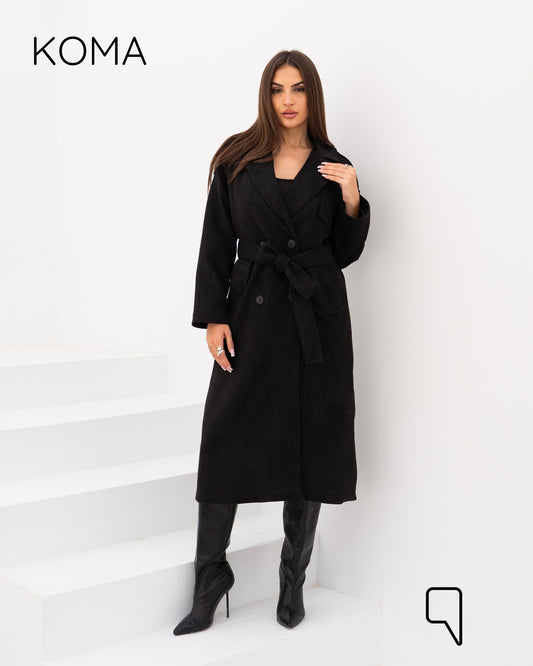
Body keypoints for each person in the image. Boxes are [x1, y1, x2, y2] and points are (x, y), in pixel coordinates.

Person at [173, 49, 371, 635]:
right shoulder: (237, 160)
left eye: (299, 88)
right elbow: (216, 240)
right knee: (224, 437)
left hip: (315, 322)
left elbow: (343, 253)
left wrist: (353, 199)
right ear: (266, 95)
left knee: (309, 445)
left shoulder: (334, 166)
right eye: (278, 89)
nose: (288, 100)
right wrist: (214, 317)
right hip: (251, 316)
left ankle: (292, 579)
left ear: (313, 96)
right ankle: (210, 576)